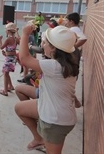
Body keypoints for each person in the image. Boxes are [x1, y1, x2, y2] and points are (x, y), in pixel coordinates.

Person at [15, 24, 79, 154]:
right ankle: (39, 139)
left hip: (56, 121)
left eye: (45, 43)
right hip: (52, 108)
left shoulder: (54, 66)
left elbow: (24, 58)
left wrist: (25, 34)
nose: (42, 45)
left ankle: (42, 137)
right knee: (19, 108)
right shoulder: (67, 64)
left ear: (54, 48)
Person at [0, 22, 20, 96]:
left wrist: (0, 39)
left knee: (5, 73)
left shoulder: (8, 39)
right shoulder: (15, 39)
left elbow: (1, 47)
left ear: (8, 31)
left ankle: (5, 90)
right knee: (7, 72)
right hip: (13, 58)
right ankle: (10, 86)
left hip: (9, 58)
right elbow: (12, 50)